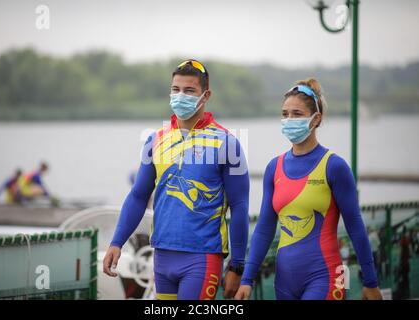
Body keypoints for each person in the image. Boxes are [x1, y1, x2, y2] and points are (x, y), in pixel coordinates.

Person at [103, 59, 250, 300]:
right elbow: (138, 196)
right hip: (161, 256)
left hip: (203, 257)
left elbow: (240, 207)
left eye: (189, 90)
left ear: (205, 95)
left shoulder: (227, 143)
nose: (180, 96)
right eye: (175, 90)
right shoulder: (155, 140)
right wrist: (116, 241)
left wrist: (237, 266)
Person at [235, 78, 383, 300]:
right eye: (285, 114)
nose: (289, 120)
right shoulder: (274, 168)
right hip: (284, 281)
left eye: (297, 114)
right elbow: (264, 228)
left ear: (316, 119)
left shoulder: (334, 166)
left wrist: (370, 281)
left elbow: (355, 226)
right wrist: (247, 279)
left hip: (327, 276)